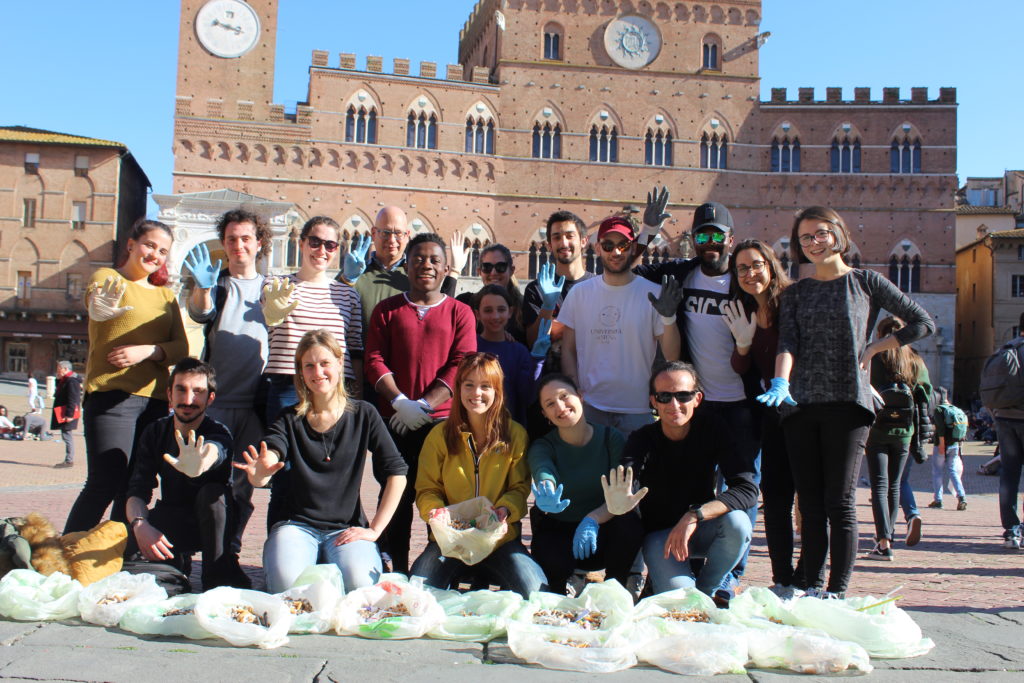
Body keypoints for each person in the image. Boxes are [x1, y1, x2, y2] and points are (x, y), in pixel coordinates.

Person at [758, 206, 934, 598]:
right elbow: (788, 344)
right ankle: (813, 586)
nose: (813, 243)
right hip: (800, 407)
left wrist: (874, 348)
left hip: (849, 406)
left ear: (838, 234)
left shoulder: (866, 282)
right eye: (805, 238)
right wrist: (781, 382)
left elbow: (922, 322)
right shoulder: (796, 293)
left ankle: (837, 590)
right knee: (813, 506)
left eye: (820, 233)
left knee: (840, 503)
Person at [235, 330, 408, 593]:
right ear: (301, 372)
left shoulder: (364, 414)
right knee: (288, 589)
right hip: (296, 527)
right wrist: (260, 473)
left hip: (345, 530)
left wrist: (374, 530)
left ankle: (331, 565)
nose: (318, 372)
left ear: (340, 363)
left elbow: (397, 473)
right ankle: (313, 565)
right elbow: (270, 455)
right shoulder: (288, 418)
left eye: (325, 363)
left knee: (361, 587)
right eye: (309, 365)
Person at [64, 218, 189, 534]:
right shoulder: (107, 278)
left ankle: (117, 556)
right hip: (112, 397)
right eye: (150, 245)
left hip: (154, 403)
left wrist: (147, 351)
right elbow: (97, 302)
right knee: (104, 482)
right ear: (131, 245)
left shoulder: (165, 297)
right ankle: (63, 557)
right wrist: (99, 307)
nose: (155, 255)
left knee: (136, 487)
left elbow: (180, 349)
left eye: (162, 251)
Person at [365, 232, 477, 574]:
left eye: (433, 260)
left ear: (445, 269)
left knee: (440, 502)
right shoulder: (387, 310)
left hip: (441, 424)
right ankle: (395, 571)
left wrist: (425, 406)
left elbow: (462, 362)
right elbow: (373, 358)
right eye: (418, 259)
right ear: (407, 265)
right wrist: (400, 402)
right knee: (395, 501)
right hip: (395, 422)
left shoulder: (460, 312)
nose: (425, 265)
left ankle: (437, 573)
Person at [617, 361, 756, 601]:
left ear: (697, 399)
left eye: (683, 396)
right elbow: (625, 486)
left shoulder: (713, 429)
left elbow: (747, 488)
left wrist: (695, 515)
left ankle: (708, 589)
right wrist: (615, 503)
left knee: (739, 523)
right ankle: (674, 588)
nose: (674, 405)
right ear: (653, 401)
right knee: (681, 601)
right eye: (664, 396)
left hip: (699, 528)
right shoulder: (641, 440)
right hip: (661, 538)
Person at [412, 353, 545, 597]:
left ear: (497, 391)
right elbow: (427, 489)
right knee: (416, 594)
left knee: (536, 591)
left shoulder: (514, 435)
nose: (477, 393)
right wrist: (434, 510)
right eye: (469, 385)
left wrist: (505, 509)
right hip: (449, 540)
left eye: (486, 386)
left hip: (498, 539)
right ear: (458, 388)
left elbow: (519, 488)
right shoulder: (440, 435)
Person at [184, 209, 273, 573]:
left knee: (242, 488)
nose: (239, 245)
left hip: (256, 404)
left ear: (259, 243)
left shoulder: (271, 288)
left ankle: (229, 556)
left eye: (246, 238)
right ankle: (204, 554)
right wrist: (203, 288)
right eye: (232, 239)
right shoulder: (216, 284)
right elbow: (200, 314)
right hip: (219, 403)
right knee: (208, 483)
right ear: (225, 243)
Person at [723, 239, 801, 594]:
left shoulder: (793, 302)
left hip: (803, 411)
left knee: (813, 501)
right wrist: (742, 344)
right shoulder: (744, 312)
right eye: (741, 268)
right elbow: (744, 370)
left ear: (771, 265)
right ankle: (782, 578)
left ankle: (812, 578)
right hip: (769, 415)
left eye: (756, 265)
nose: (750, 273)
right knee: (776, 499)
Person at [557, 215, 681, 434]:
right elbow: (568, 348)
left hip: (637, 408)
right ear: (598, 248)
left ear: (633, 247)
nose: (616, 252)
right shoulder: (579, 293)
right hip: (590, 405)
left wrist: (669, 318)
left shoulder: (653, 293)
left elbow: (672, 356)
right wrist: (574, 388)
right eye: (608, 245)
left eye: (623, 245)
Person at [125, 359, 239, 590]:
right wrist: (140, 525)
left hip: (214, 524)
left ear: (210, 398)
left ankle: (215, 578)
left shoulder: (218, 431)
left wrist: (200, 463)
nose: (188, 400)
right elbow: (138, 489)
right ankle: (175, 572)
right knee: (129, 568)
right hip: (172, 516)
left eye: (198, 392)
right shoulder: (155, 431)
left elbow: (216, 450)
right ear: (169, 394)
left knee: (213, 495)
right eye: (181, 389)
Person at [527, 374, 644, 595]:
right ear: (545, 414)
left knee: (630, 521)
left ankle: (618, 586)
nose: (560, 406)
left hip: (603, 528)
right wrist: (547, 489)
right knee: (552, 582)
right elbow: (543, 469)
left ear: (580, 397)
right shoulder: (543, 446)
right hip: (561, 534)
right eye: (550, 404)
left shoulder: (611, 438)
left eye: (565, 396)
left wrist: (592, 519)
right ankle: (569, 581)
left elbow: (621, 492)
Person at [262, 215, 363, 422]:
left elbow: (354, 349)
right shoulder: (276, 285)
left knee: (331, 453)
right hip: (287, 385)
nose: (321, 251)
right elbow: (268, 315)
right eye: (315, 242)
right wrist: (273, 312)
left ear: (337, 249)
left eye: (330, 245)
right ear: (302, 243)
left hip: (335, 387)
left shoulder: (348, 295)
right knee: (282, 451)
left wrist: (358, 395)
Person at [863, 316, 933, 561]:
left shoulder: (874, 356)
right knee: (894, 485)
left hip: (877, 429)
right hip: (905, 431)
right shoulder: (914, 359)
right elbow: (927, 393)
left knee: (879, 485)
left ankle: (883, 542)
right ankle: (887, 538)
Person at [521, 211, 595, 371]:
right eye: (556, 237)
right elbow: (532, 341)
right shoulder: (536, 289)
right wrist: (547, 307)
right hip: (550, 380)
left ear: (583, 241)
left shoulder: (599, 286)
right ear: (549, 245)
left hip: (592, 378)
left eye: (570, 236)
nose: (563, 243)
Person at [473, 284, 546, 424]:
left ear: (510, 312)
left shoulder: (519, 351)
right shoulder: (469, 346)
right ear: (478, 314)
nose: (495, 316)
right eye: (488, 310)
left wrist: (537, 361)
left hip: (510, 431)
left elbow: (528, 397)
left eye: (501, 310)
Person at [984, 316, 1024, 549]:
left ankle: (1010, 530)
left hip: (1004, 419)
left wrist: (995, 416)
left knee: (1009, 475)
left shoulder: (1004, 351)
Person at [456, 243, 526, 344]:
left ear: (511, 270)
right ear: (480, 271)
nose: (493, 272)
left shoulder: (523, 307)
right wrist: (454, 271)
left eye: (500, 267)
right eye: (487, 267)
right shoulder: (465, 302)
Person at [930, 388, 969, 512]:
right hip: (955, 444)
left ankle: (938, 500)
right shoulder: (955, 409)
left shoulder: (939, 409)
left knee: (937, 472)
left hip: (942, 444)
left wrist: (941, 444)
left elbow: (940, 429)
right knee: (953, 471)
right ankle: (962, 496)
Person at [51, 361, 83, 469]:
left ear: (65, 369)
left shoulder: (71, 381)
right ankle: (69, 459)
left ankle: (69, 460)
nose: (57, 370)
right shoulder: (65, 380)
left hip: (68, 413)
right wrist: (58, 378)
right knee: (66, 435)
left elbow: (73, 399)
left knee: (67, 436)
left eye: (59, 368)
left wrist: (69, 415)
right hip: (64, 411)